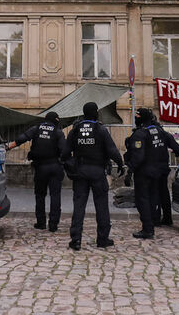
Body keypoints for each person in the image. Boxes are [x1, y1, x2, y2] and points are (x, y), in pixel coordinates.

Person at [61, 102, 125, 251]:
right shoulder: (100, 129)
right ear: (95, 112)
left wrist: (71, 164)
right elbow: (112, 150)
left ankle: (76, 240)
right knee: (102, 206)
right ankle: (102, 239)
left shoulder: (75, 129)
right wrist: (120, 163)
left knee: (79, 206)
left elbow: (65, 153)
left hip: (80, 172)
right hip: (97, 172)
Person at [125, 108, 179, 238]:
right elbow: (177, 148)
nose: (135, 118)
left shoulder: (140, 134)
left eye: (137, 116)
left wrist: (130, 170)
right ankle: (157, 220)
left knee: (143, 199)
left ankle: (148, 228)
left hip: (145, 172)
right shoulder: (161, 132)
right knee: (157, 197)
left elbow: (138, 156)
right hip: (159, 171)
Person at [6, 112, 66, 232]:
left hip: (40, 167)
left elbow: (21, 139)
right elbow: (64, 151)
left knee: (40, 195)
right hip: (55, 167)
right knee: (55, 196)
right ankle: (53, 225)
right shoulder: (58, 132)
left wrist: (7, 147)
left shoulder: (36, 128)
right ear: (55, 120)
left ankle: (41, 222)